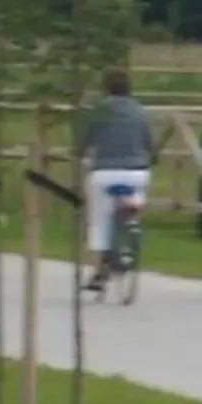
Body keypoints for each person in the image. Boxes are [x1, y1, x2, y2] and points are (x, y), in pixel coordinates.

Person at [79, 70, 156, 287]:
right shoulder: (140, 111)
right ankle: (132, 226)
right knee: (135, 199)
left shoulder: (99, 111)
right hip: (137, 173)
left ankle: (99, 271)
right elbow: (150, 143)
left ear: (106, 88)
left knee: (99, 218)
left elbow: (85, 140)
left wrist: (79, 151)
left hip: (105, 172)